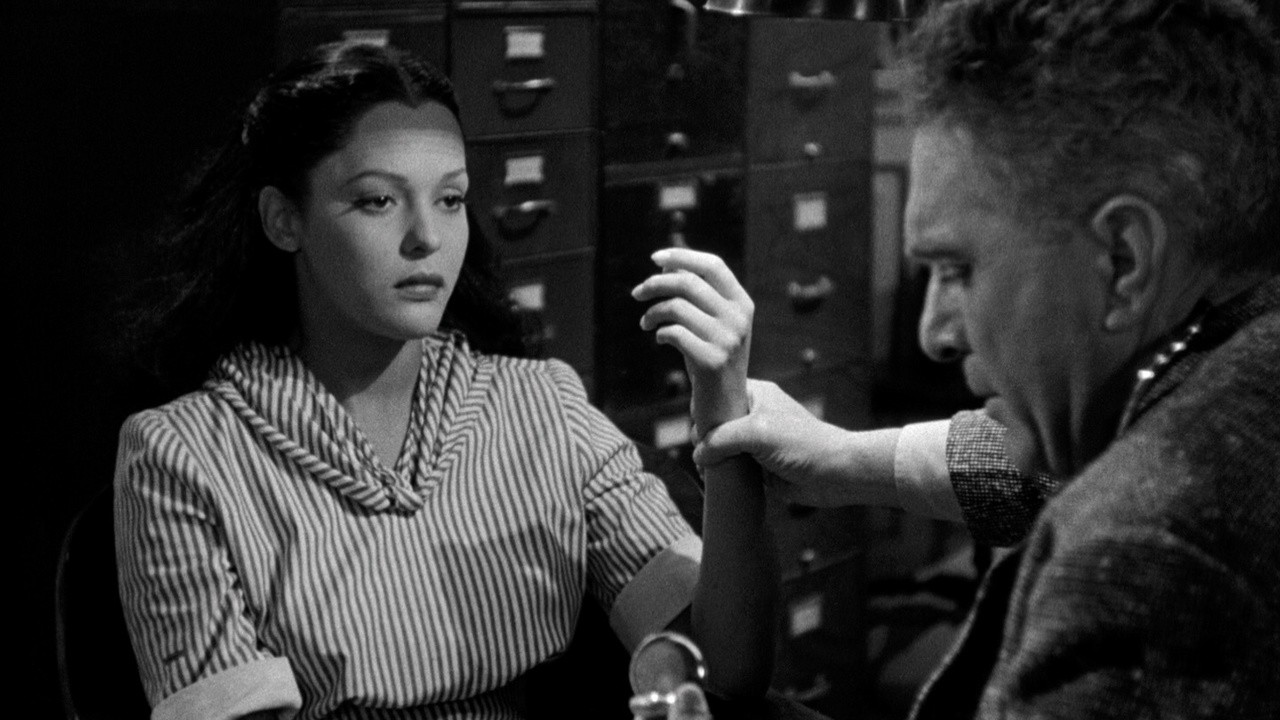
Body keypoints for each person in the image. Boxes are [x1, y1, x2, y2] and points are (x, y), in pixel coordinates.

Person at [638, 0, 1280, 716]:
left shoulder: (1151, 556)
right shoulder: (1240, 355)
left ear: (1124, 260)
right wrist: (843, 457)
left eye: (959, 271)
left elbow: (1116, 482)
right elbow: (1052, 473)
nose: (934, 335)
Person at [113, 42, 776, 720]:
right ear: (284, 220)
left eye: (451, 198)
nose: (427, 237)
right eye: (377, 200)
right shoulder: (182, 455)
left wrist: (725, 424)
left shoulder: (542, 406)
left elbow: (727, 667)